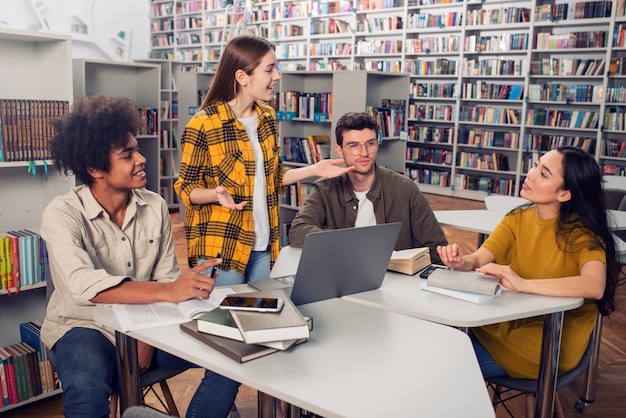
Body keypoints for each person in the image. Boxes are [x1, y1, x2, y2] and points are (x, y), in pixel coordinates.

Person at [40, 93, 236, 418]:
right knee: (87, 396)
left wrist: (146, 336)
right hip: (84, 326)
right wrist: (169, 292)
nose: (141, 159)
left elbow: (165, 275)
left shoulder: (155, 205)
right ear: (95, 168)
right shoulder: (61, 214)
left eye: (137, 150)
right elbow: (83, 285)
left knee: (229, 356)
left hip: (151, 322)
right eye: (127, 155)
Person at [174, 34, 351, 285]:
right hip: (223, 244)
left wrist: (315, 169)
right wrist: (216, 195)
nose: (277, 76)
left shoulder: (267, 116)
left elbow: (275, 175)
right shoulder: (203, 123)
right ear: (242, 77)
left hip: (265, 242)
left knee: (265, 315)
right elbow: (185, 188)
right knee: (228, 319)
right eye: (269, 69)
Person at [437, 146, 618, 379]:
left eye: (544, 173)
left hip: (546, 344)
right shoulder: (517, 218)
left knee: (441, 366)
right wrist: (460, 261)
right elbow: (479, 258)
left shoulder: (583, 235)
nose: (531, 174)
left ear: (564, 194)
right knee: (434, 342)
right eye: (535, 166)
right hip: (502, 322)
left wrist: (523, 283)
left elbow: (594, 285)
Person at [288, 111, 448, 264]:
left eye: (370, 144)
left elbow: (435, 247)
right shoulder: (324, 188)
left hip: (394, 279)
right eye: (353, 145)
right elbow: (298, 231)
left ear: (377, 144)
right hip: (341, 273)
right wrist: (348, 243)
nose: (363, 153)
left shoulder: (405, 189)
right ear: (340, 151)